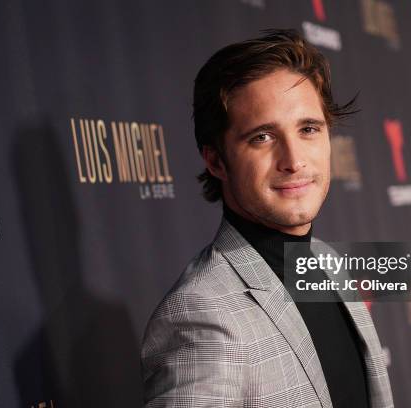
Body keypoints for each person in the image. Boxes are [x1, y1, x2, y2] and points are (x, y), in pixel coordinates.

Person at [140, 29, 394, 408]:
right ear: (216, 161)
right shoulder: (202, 315)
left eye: (308, 129)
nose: (293, 160)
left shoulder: (327, 261)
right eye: (261, 137)